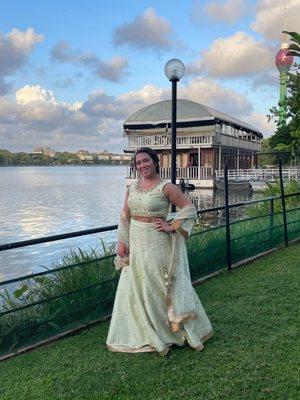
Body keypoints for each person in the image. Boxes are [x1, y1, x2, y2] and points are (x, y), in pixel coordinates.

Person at [106, 147, 213, 355]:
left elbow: (190, 209)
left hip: (158, 242)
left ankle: (171, 331)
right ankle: (145, 330)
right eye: (138, 163)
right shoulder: (132, 187)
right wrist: (122, 242)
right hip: (136, 240)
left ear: (156, 162)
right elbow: (124, 216)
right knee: (138, 284)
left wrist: (171, 226)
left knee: (159, 284)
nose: (142, 166)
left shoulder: (167, 187)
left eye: (146, 161)